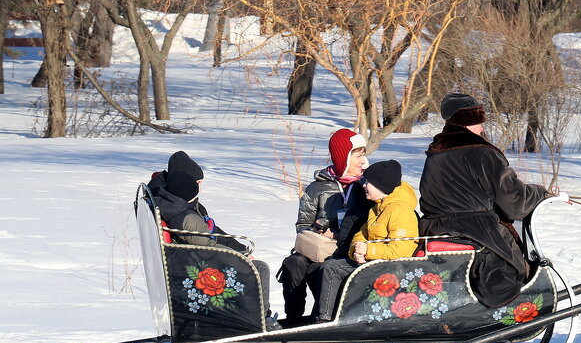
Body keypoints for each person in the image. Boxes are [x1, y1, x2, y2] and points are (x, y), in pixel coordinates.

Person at [418, 93, 549, 307]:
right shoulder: (483, 153)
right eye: (479, 123)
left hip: (433, 230)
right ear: (470, 122)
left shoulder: (435, 154)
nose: (482, 129)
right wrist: (541, 193)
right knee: (509, 271)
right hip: (477, 232)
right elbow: (515, 203)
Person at [277, 128, 371, 326]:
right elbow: (302, 225)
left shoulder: (367, 187)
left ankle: (323, 318)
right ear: (343, 158)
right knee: (293, 263)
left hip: (349, 251)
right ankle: (292, 322)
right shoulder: (317, 188)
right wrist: (318, 233)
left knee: (323, 269)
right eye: (358, 156)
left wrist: (340, 234)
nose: (364, 161)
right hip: (319, 249)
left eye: (364, 155)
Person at [153, 158, 271, 309]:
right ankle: (261, 317)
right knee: (259, 268)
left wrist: (242, 250)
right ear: (187, 184)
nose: (200, 188)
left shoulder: (186, 206)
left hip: (197, 259)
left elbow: (213, 231)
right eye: (198, 183)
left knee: (254, 264)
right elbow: (209, 247)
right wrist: (241, 258)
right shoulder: (186, 217)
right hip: (199, 266)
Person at [314, 159, 419, 322]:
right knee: (329, 265)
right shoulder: (377, 208)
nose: (363, 185)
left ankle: (326, 320)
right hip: (375, 261)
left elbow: (401, 250)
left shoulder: (400, 210)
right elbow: (361, 235)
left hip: (392, 266)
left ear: (380, 185)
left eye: (368, 182)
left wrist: (368, 251)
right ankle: (330, 316)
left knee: (332, 268)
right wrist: (356, 251)